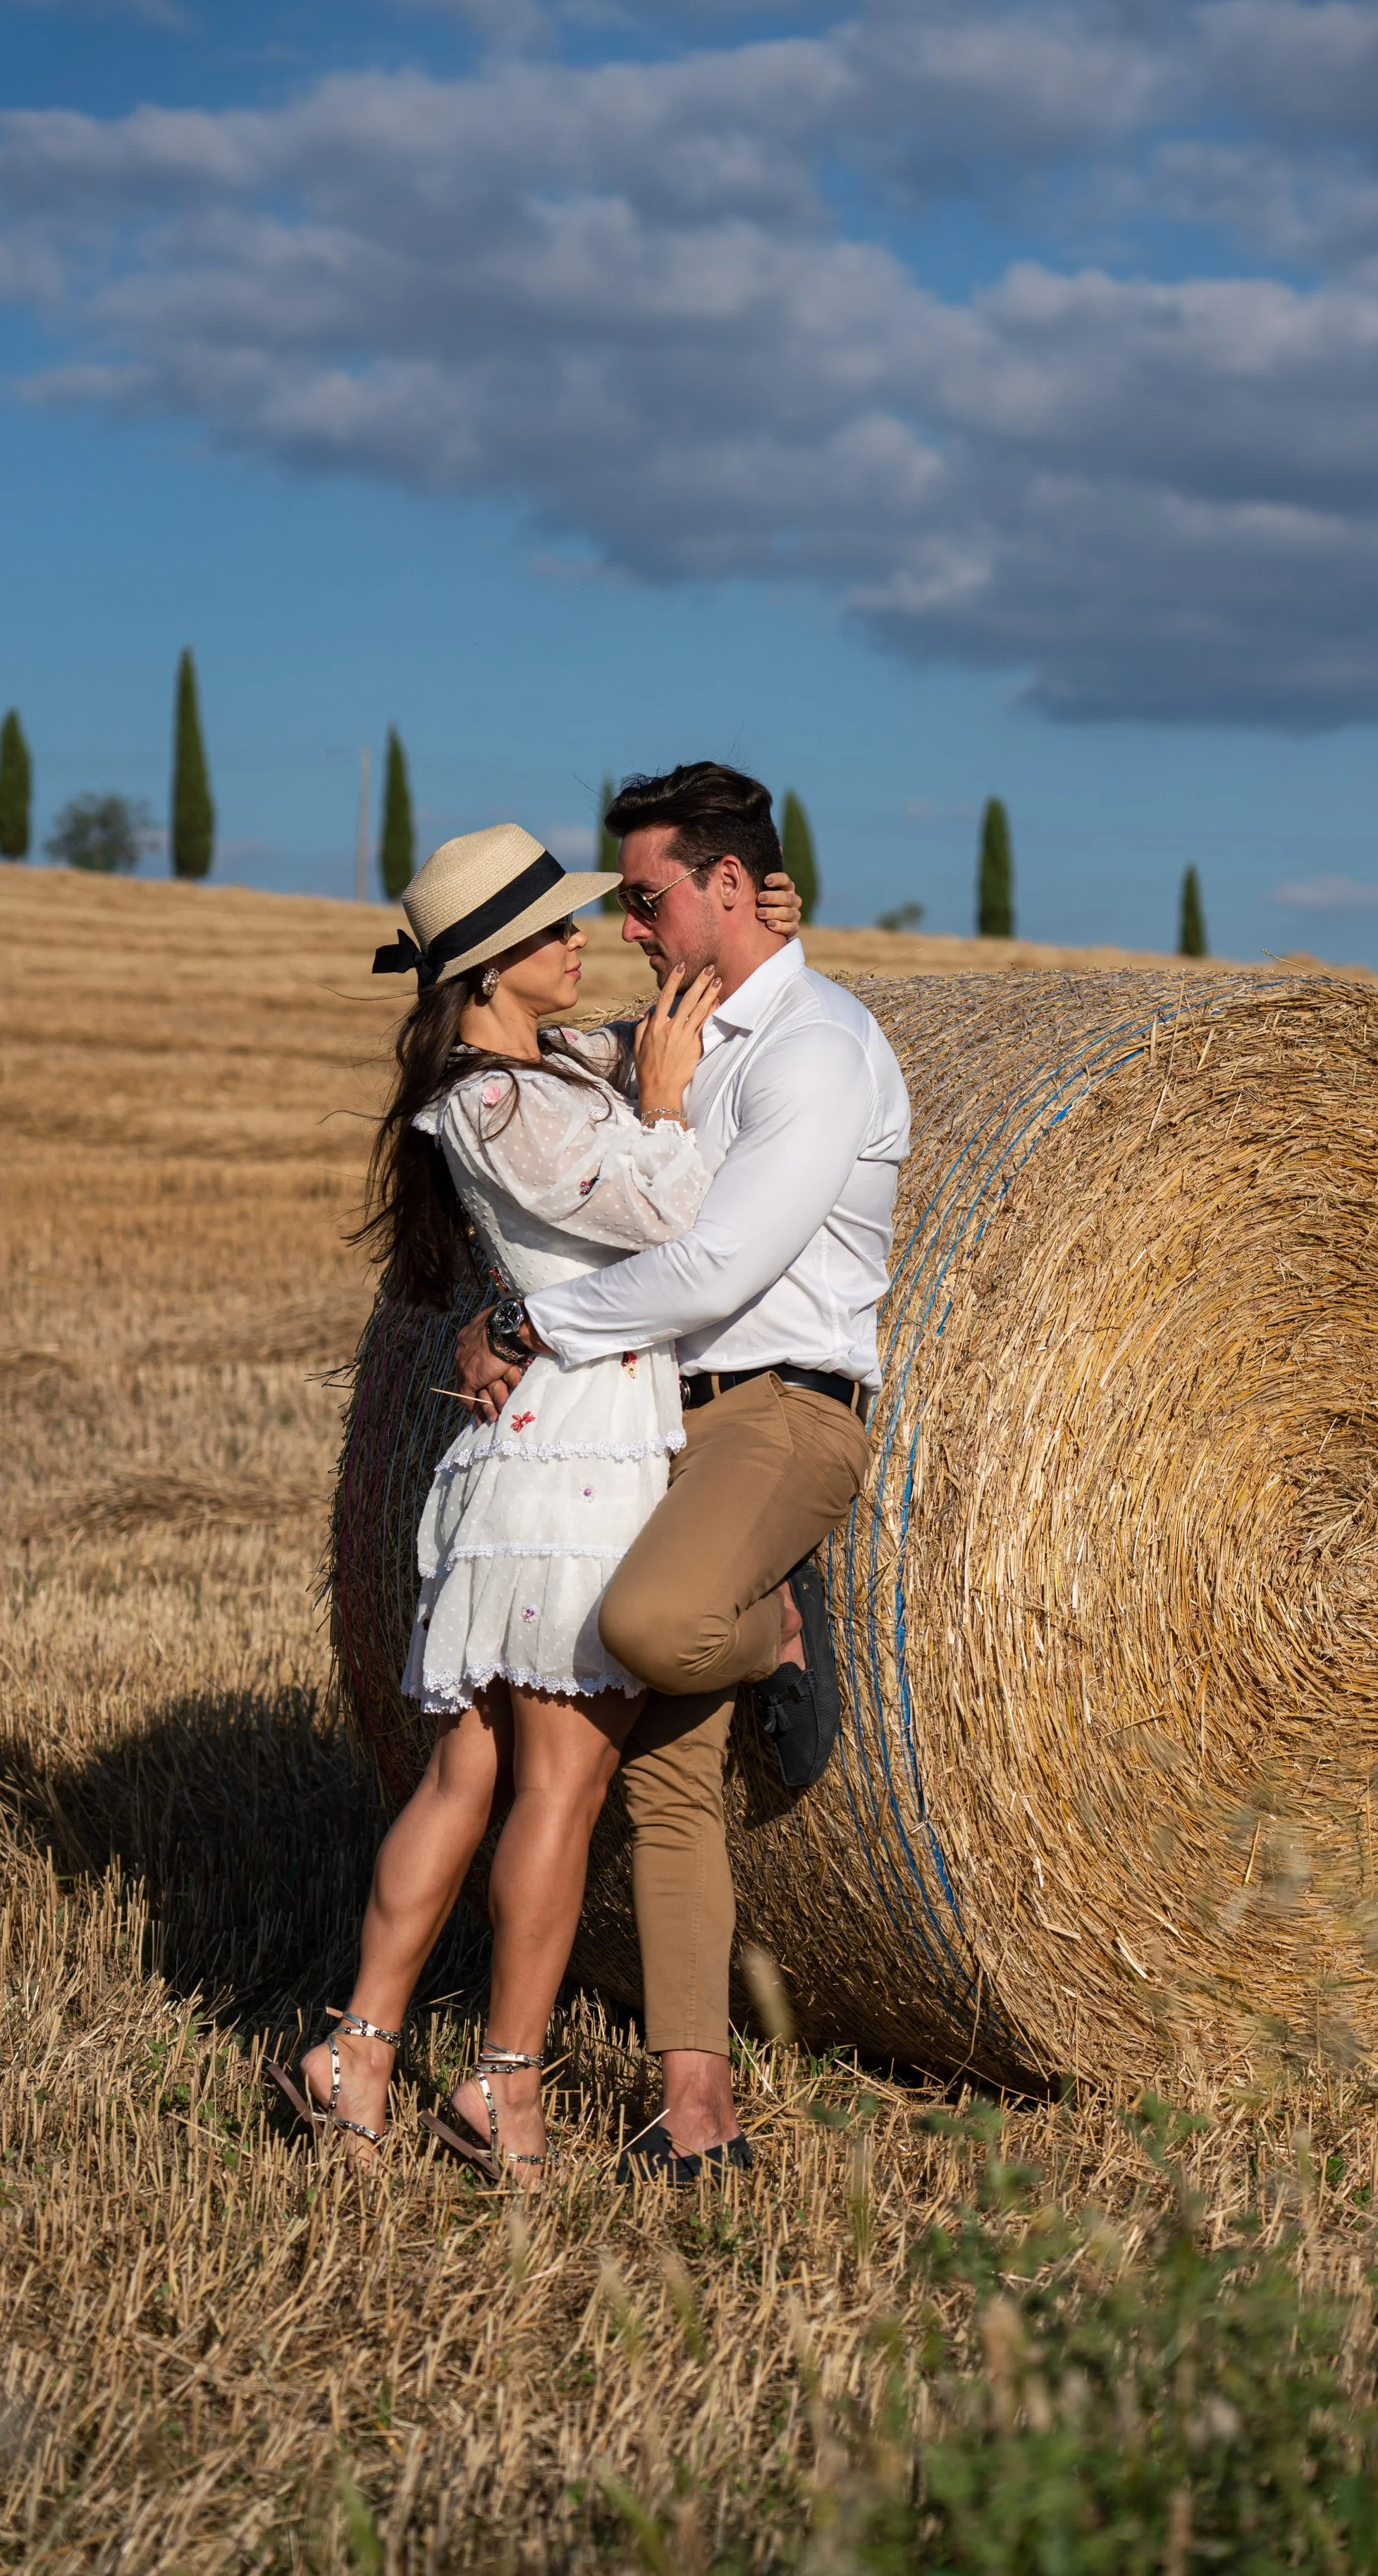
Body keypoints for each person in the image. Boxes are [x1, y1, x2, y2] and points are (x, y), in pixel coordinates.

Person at [266, 818, 802, 2183]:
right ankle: (503, 2086)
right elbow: (675, 1212)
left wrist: (758, 938)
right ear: (495, 967)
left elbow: (669, 1025)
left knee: (475, 1767)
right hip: (577, 1454)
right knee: (557, 1782)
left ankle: (359, 2052)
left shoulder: (548, 1064)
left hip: (542, 1447)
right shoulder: (495, 1103)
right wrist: (671, 1105)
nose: (586, 942)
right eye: (557, 930)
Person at [456, 762, 911, 2183]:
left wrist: (529, 1325)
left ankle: (774, 1622)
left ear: (725, 885)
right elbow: (526, 1075)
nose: (632, 927)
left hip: (776, 1414)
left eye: (647, 898)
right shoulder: (676, 1027)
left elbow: (720, 1260)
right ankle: (694, 2108)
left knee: (652, 1630)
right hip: (653, 1416)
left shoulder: (814, 1049)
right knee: (667, 1776)